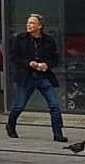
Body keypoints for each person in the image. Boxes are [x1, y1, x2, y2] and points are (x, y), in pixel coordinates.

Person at [7, 13, 67, 142]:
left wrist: (47, 65)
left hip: (43, 77)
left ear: (40, 26)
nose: (29, 25)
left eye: (32, 23)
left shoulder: (48, 40)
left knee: (54, 105)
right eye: (28, 23)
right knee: (19, 105)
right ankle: (10, 125)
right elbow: (13, 57)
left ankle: (58, 133)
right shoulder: (20, 38)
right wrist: (28, 62)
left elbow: (55, 58)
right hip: (26, 76)